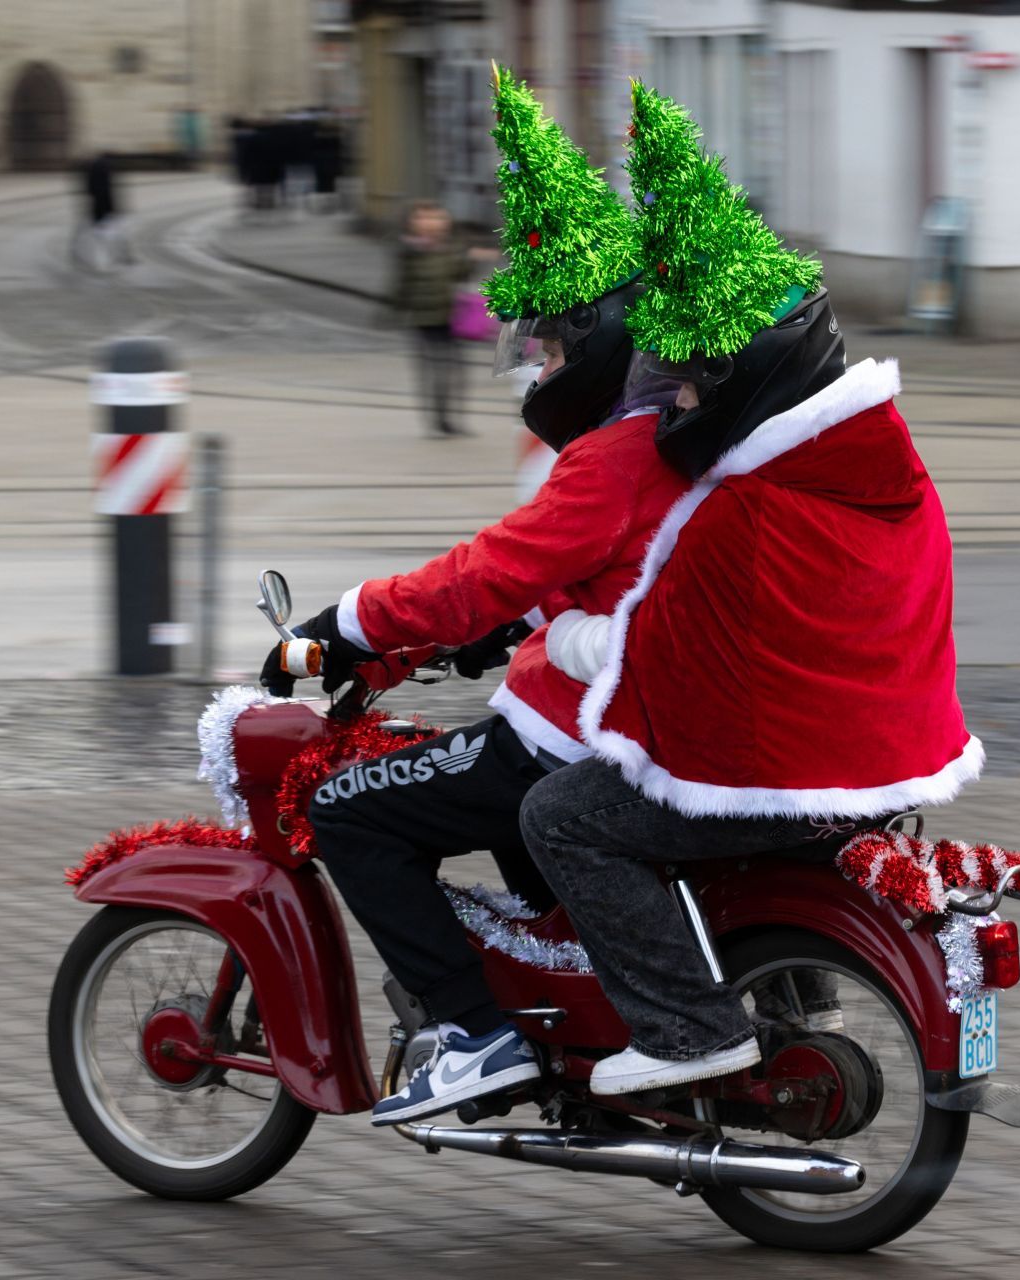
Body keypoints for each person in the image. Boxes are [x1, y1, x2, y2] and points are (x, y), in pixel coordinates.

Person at [519, 83, 982, 1097]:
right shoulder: (880, 471)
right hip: (888, 756)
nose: (674, 400)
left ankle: (687, 1029)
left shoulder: (746, 510)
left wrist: (565, 641)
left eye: (688, 382)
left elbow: (658, 657)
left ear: (746, 377)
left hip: (787, 767)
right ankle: (797, 998)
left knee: (561, 813)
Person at [260, 66, 686, 1127]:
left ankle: (474, 1034)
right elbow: (556, 579)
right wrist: (493, 628)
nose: (532, 361)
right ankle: (578, 1045)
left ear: (588, 344)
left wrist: (344, 624)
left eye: (543, 340)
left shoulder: (610, 455)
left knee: (348, 809)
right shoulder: (668, 438)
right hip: (634, 705)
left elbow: (493, 567)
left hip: (587, 727)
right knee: (506, 821)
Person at [390, 202, 478, 438]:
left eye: (437, 218)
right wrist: (394, 310)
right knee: (433, 371)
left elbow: (463, 274)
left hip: (452, 317)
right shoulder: (410, 250)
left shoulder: (453, 246)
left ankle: (449, 420)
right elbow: (401, 282)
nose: (431, 223)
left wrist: (471, 259)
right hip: (424, 317)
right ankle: (437, 420)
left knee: (455, 371)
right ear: (414, 223)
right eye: (424, 218)